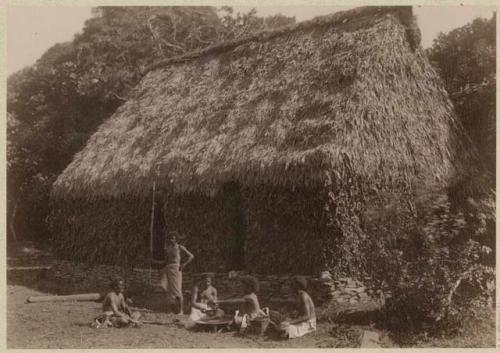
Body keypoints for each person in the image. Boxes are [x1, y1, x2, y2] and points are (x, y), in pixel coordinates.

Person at [160, 231, 194, 315]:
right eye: (171, 238)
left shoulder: (179, 247)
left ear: (176, 239)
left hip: (176, 269)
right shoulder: (167, 248)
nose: (172, 240)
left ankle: (181, 311)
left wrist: (184, 264)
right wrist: (154, 261)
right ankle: (172, 310)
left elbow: (191, 256)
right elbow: (165, 261)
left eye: (174, 238)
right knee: (166, 287)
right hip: (168, 268)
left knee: (177, 290)